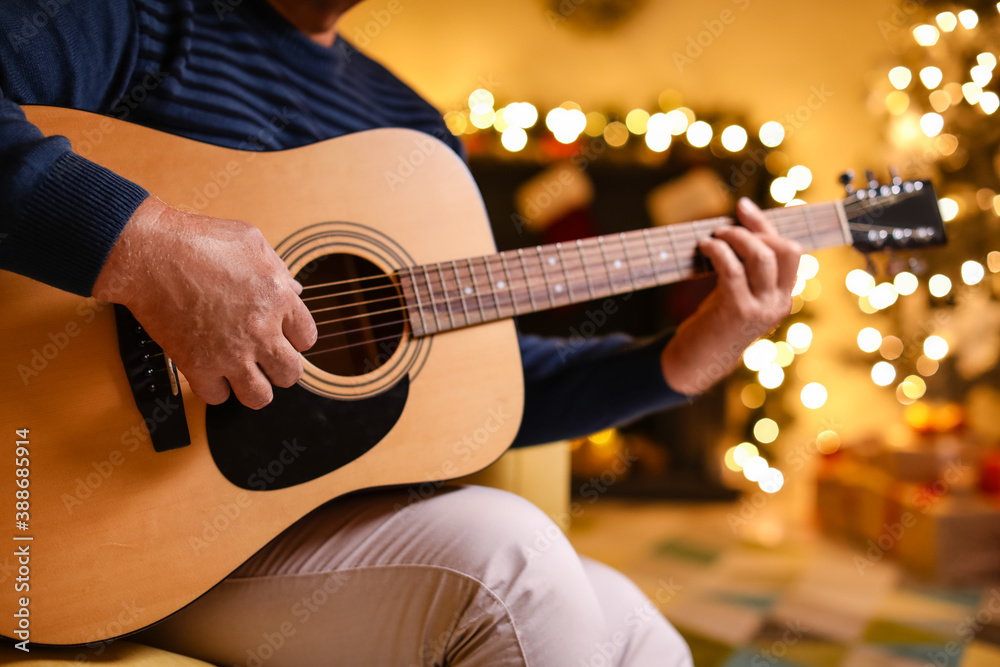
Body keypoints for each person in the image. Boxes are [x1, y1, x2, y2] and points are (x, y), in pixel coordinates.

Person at [0, 1, 801, 664]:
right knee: (513, 558)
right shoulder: (137, 14)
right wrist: (143, 249)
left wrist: (678, 361)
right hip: (79, 523)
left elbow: (472, 381)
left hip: (283, 532)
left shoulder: (411, 128)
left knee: (639, 632)